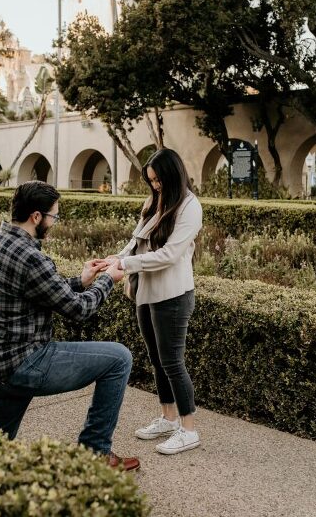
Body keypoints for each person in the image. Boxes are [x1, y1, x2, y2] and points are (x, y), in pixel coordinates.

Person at [0, 180, 139, 471]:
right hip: (22, 364)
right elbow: (79, 309)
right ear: (37, 216)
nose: (54, 223)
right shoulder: (32, 258)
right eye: (54, 217)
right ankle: (95, 453)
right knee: (119, 358)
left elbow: (39, 290)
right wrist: (107, 280)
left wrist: (81, 280)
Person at [105, 148, 203, 455]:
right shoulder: (153, 202)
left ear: (172, 174)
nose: (156, 185)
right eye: (151, 181)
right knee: (157, 359)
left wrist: (126, 266)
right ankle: (168, 418)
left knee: (173, 362)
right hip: (145, 293)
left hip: (174, 295)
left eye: (159, 179)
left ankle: (188, 429)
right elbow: (136, 242)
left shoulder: (189, 207)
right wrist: (115, 258)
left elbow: (170, 254)